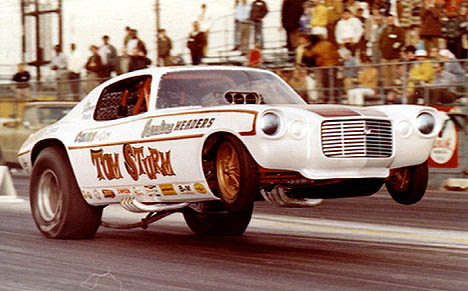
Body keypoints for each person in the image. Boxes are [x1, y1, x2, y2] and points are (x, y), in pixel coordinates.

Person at [379, 14, 405, 89]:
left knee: (394, 75)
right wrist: (382, 48)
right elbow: (380, 41)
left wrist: (396, 47)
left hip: (394, 57)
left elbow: (402, 41)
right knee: (385, 75)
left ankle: (393, 91)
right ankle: (386, 92)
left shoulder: (398, 30)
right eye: (388, 20)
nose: (390, 21)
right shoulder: (384, 30)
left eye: (391, 20)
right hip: (384, 57)